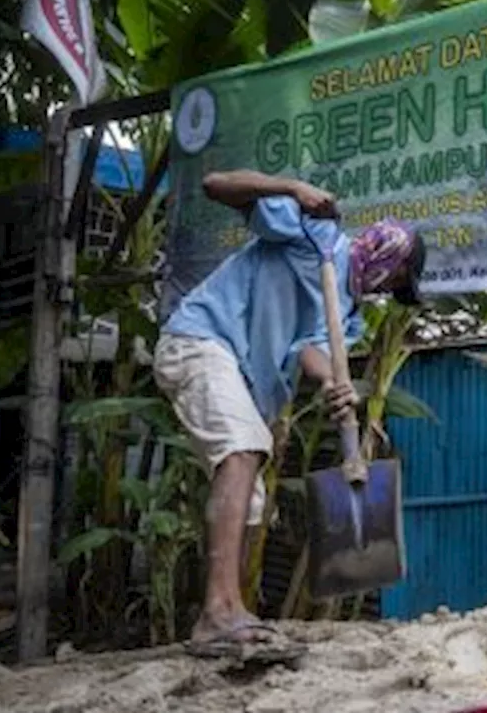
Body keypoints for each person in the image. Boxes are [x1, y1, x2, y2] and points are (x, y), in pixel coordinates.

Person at [153, 170, 425, 657]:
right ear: (390, 257)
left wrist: (333, 382)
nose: (387, 288)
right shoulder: (313, 234)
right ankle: (216, 613)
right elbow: (215, 184)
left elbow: (310, 350)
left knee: (251, 495)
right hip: (201, 339)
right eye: (397, 278)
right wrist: (291, 190)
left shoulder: (350, 314)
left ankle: (230, 611)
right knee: (242, 451)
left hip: (235, 371)